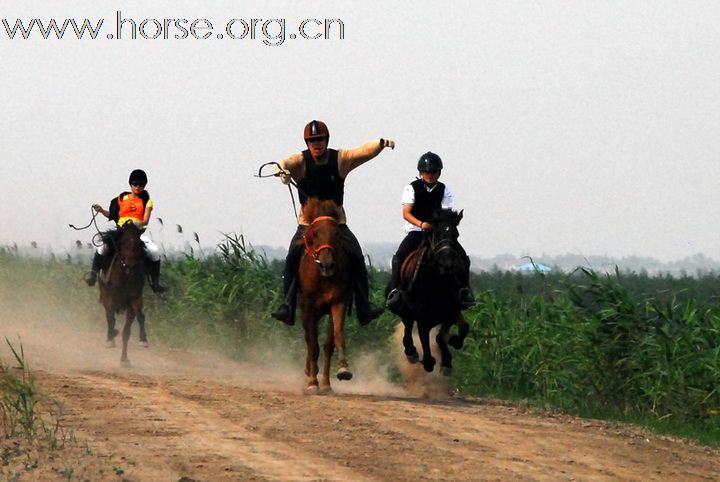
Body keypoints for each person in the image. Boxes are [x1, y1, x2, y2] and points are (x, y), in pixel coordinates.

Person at [271, 120, 395, 326]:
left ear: (326, 140)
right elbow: (284, 164)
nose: (316, 144)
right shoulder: (301, 161)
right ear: (307, 143)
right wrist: (281, 172)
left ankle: (364, 307)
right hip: (307, 225)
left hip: (336, 223)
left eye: (319, 139)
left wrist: (380, 143)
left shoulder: (340, 159)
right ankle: (288, 306)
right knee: (293, 256)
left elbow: (361, 152)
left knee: (355, 254)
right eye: (312, 141)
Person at [385, 151, 475, 312]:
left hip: (437, 232)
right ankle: (395, 291)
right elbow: (406, 213)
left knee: (463, 257)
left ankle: (464, 290)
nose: (430, 175)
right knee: (398, 258)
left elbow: (445, 213)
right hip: (416, 231)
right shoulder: (411, 188)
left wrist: (437, 227)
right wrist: (421, 224)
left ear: (439, 173)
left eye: (434, 172)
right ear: (421, 173)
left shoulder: (444, 190)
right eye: (427, 172)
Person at [84, 169, 165, 293]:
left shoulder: (147, 201)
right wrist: (101, 210)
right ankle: (93, 275)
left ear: (144, 185)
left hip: (136, 233)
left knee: (154, 251)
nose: (138, 187)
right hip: (120, 233)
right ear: (130, 184)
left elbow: (145, 221)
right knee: (102, 247)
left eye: (141, 185)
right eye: (135, 184)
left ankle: (155, 282)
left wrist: (135, 223)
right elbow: (112, 215)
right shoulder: (121, 198)